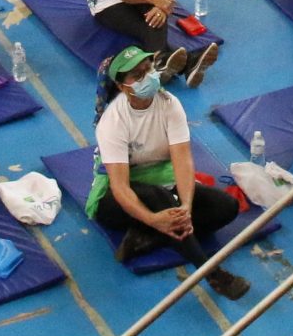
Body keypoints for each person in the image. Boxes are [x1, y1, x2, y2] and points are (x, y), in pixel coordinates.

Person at [87, 46, 250, 297]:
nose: (147, 77)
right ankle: (214, 275)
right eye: (137, 76)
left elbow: (182, 161)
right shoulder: (114, 121)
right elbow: (120, 187)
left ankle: (150, 236)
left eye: (148, 69)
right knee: (159, 199)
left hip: (163, 183)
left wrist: (185, 205)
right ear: (122, 87)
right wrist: (153, 218)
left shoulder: (169, 104)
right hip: (115, 198)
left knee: (226, 207)